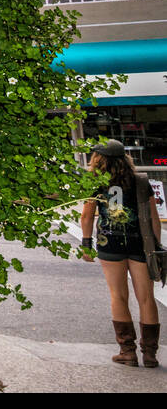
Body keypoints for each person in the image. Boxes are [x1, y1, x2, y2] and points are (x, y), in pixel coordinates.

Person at [81, 139, 161, 367]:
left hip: (110, 244)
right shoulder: (140, 181)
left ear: (98, 159)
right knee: (146, 297)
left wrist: (86, 244)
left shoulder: (95, 183)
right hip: (140, 244)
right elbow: (153, 218)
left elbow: (87, 216)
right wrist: (155, 247)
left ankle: (127, 351)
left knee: (118, 296)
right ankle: (150, 353)